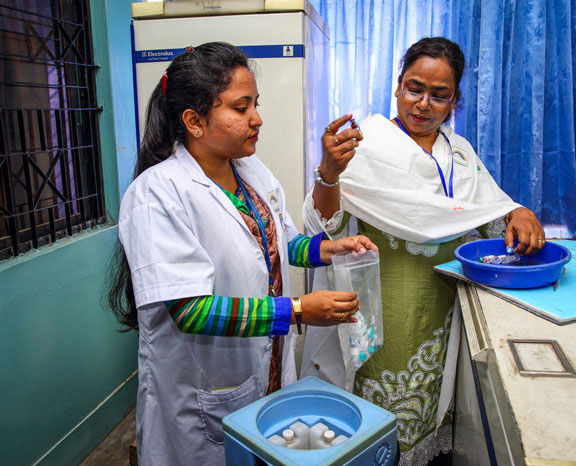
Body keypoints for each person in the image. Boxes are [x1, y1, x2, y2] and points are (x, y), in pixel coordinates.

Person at [108, 42, 376, 466]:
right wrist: (300, 310)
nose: (258, 119)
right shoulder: (157, 193)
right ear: (194, 121)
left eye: (256, 103)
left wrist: (328, 249)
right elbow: (189, 310)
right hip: (203, 391)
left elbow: (279, 244)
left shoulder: (249, 171)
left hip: (266, 373)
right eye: (241, 107)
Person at [301, 37, 545, 465]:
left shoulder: (461, 153)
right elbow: (324, 228)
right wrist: (329, 173)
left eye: (439, 95)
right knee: (375, 421)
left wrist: (518, 211)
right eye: (415, 89)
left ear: (454, 100)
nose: (423, 104)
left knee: (433, 401)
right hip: (382, 307)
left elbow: (490, 211)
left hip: (442, 307)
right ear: (397, 87)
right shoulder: (366, 145)